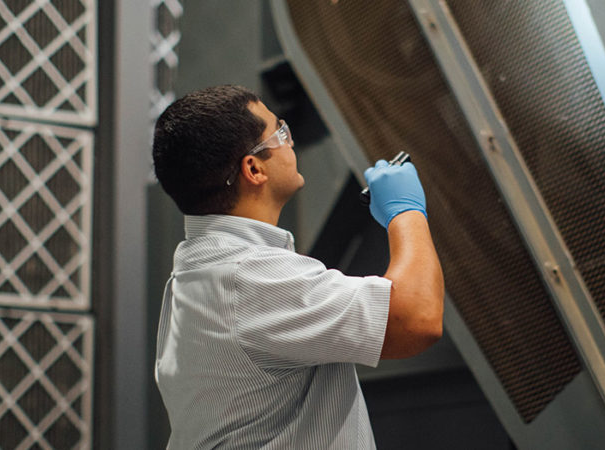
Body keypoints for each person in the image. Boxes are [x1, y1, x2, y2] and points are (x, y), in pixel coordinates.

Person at [150, 85, 445, 449]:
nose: (289, 141)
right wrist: (406, 211)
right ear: (254, 168)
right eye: (280, 133)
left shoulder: (197, 273)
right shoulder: (249, 276)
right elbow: (417, 318)